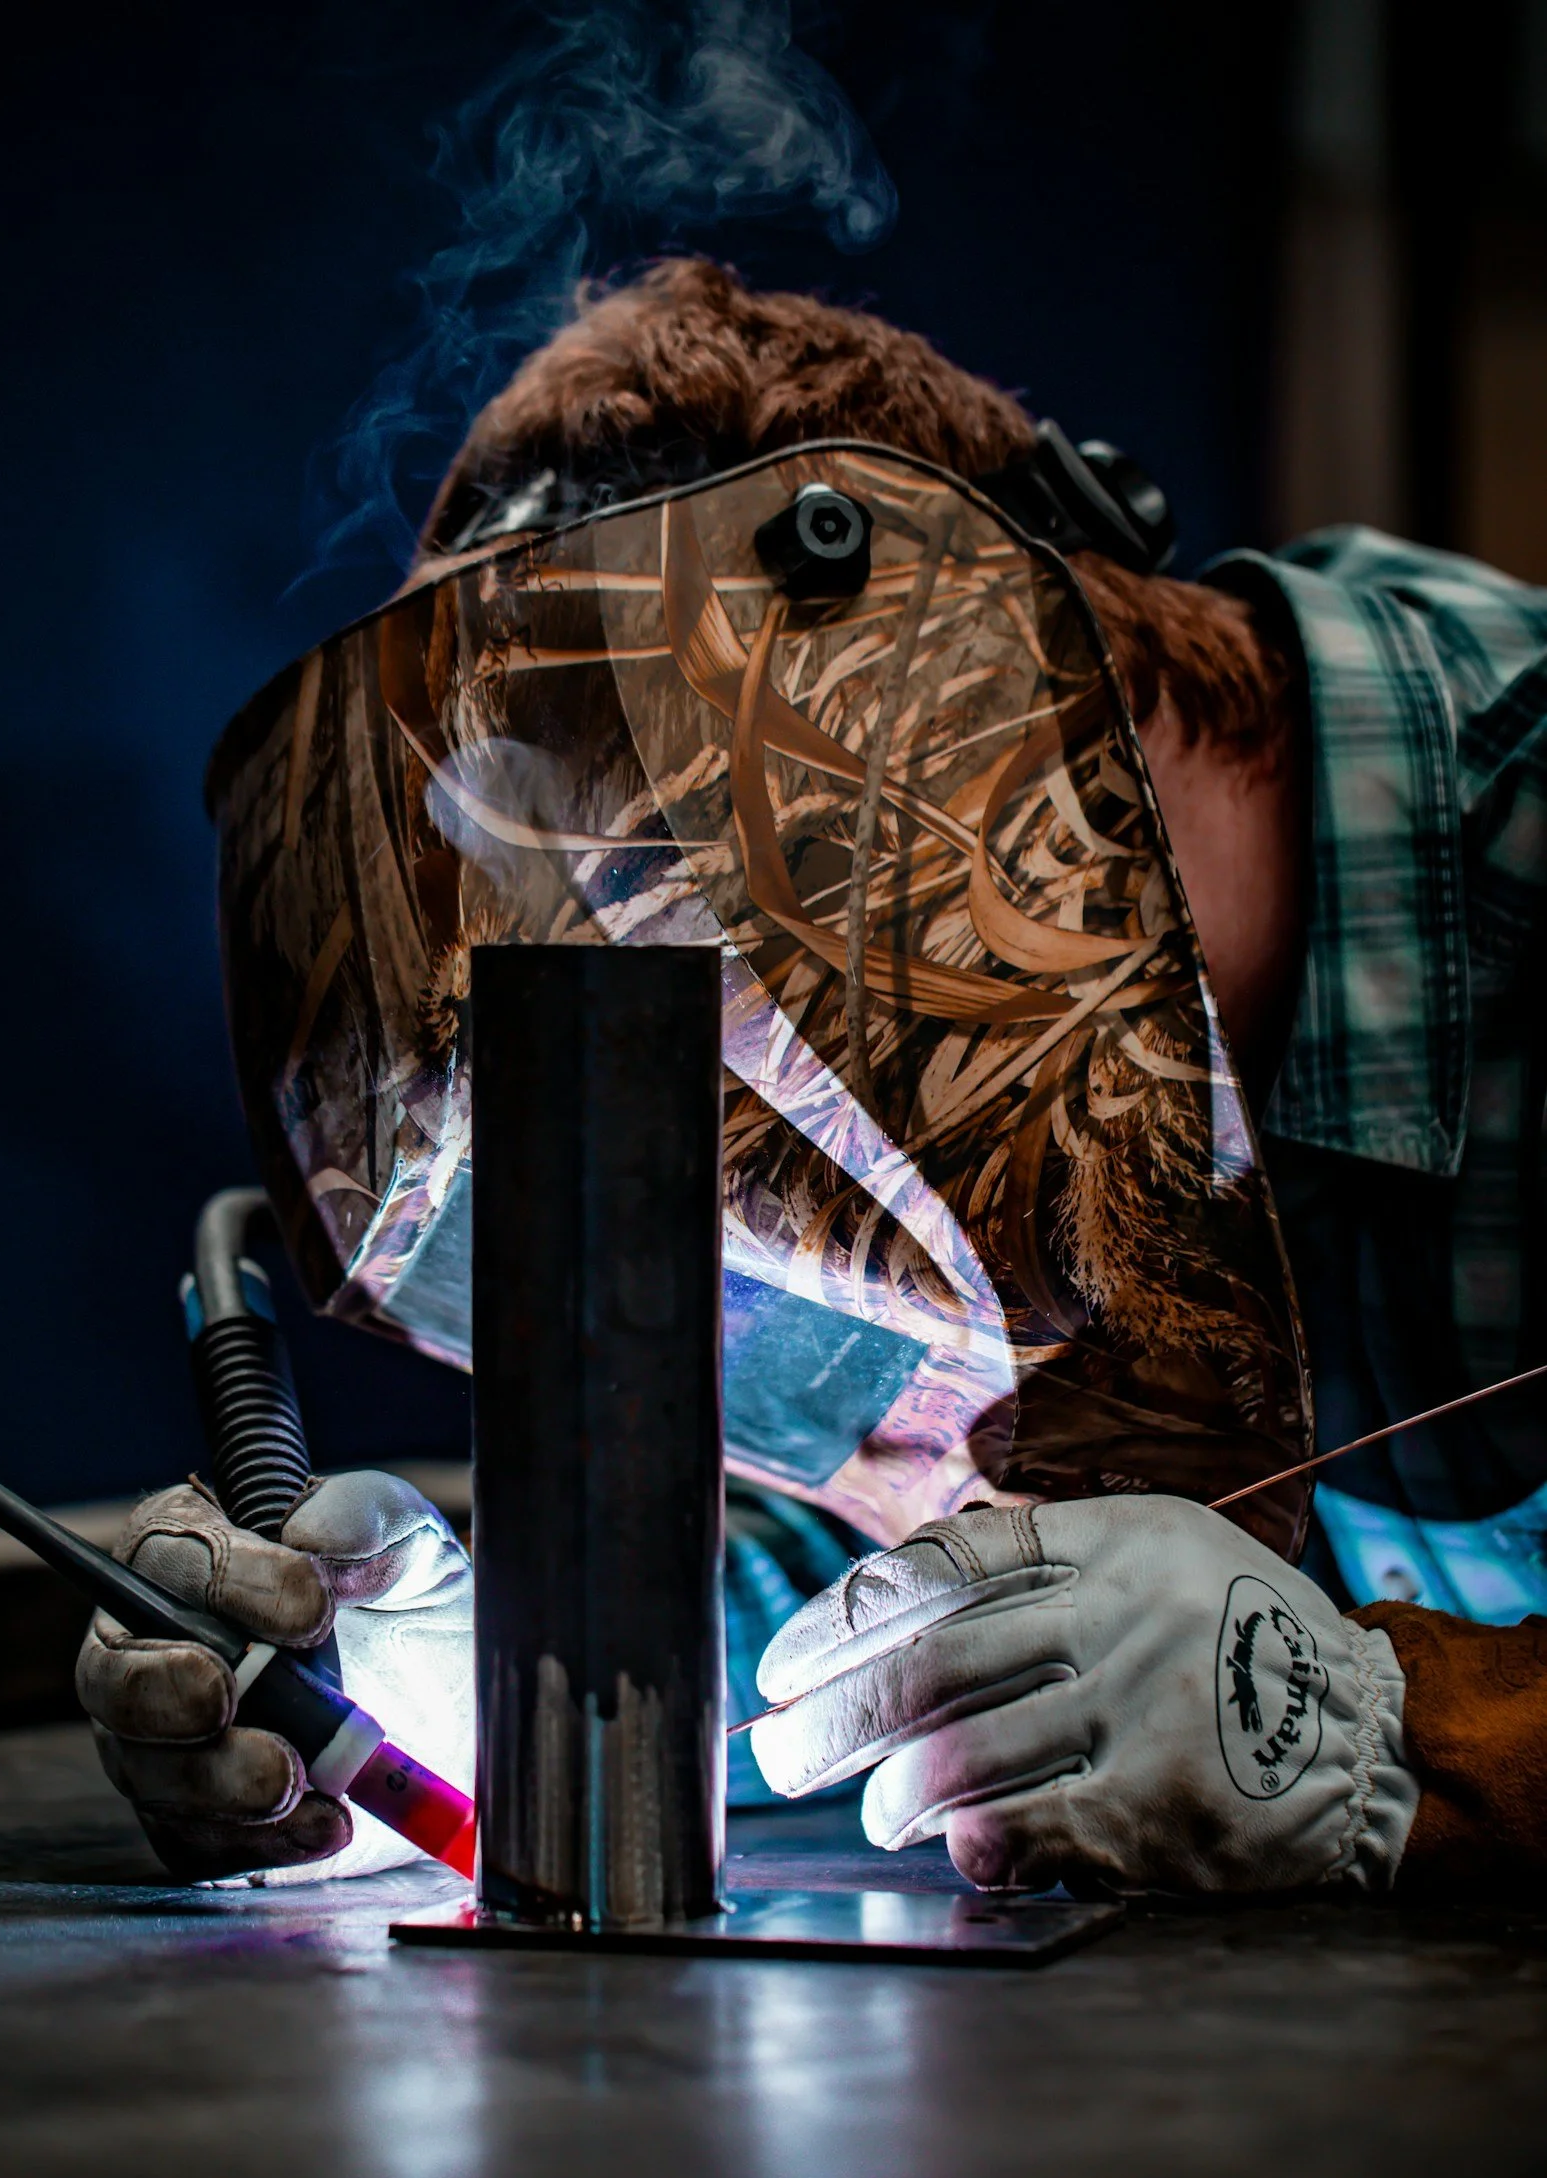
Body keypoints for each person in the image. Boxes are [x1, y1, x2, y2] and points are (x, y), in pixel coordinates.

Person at [82, 260, 1547, 1895]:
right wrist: (469, 1687)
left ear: (1037, 743)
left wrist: (1409, 1733)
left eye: (731, 945)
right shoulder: (1028, 1161)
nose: (781, 1188)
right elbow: (899, 1554)